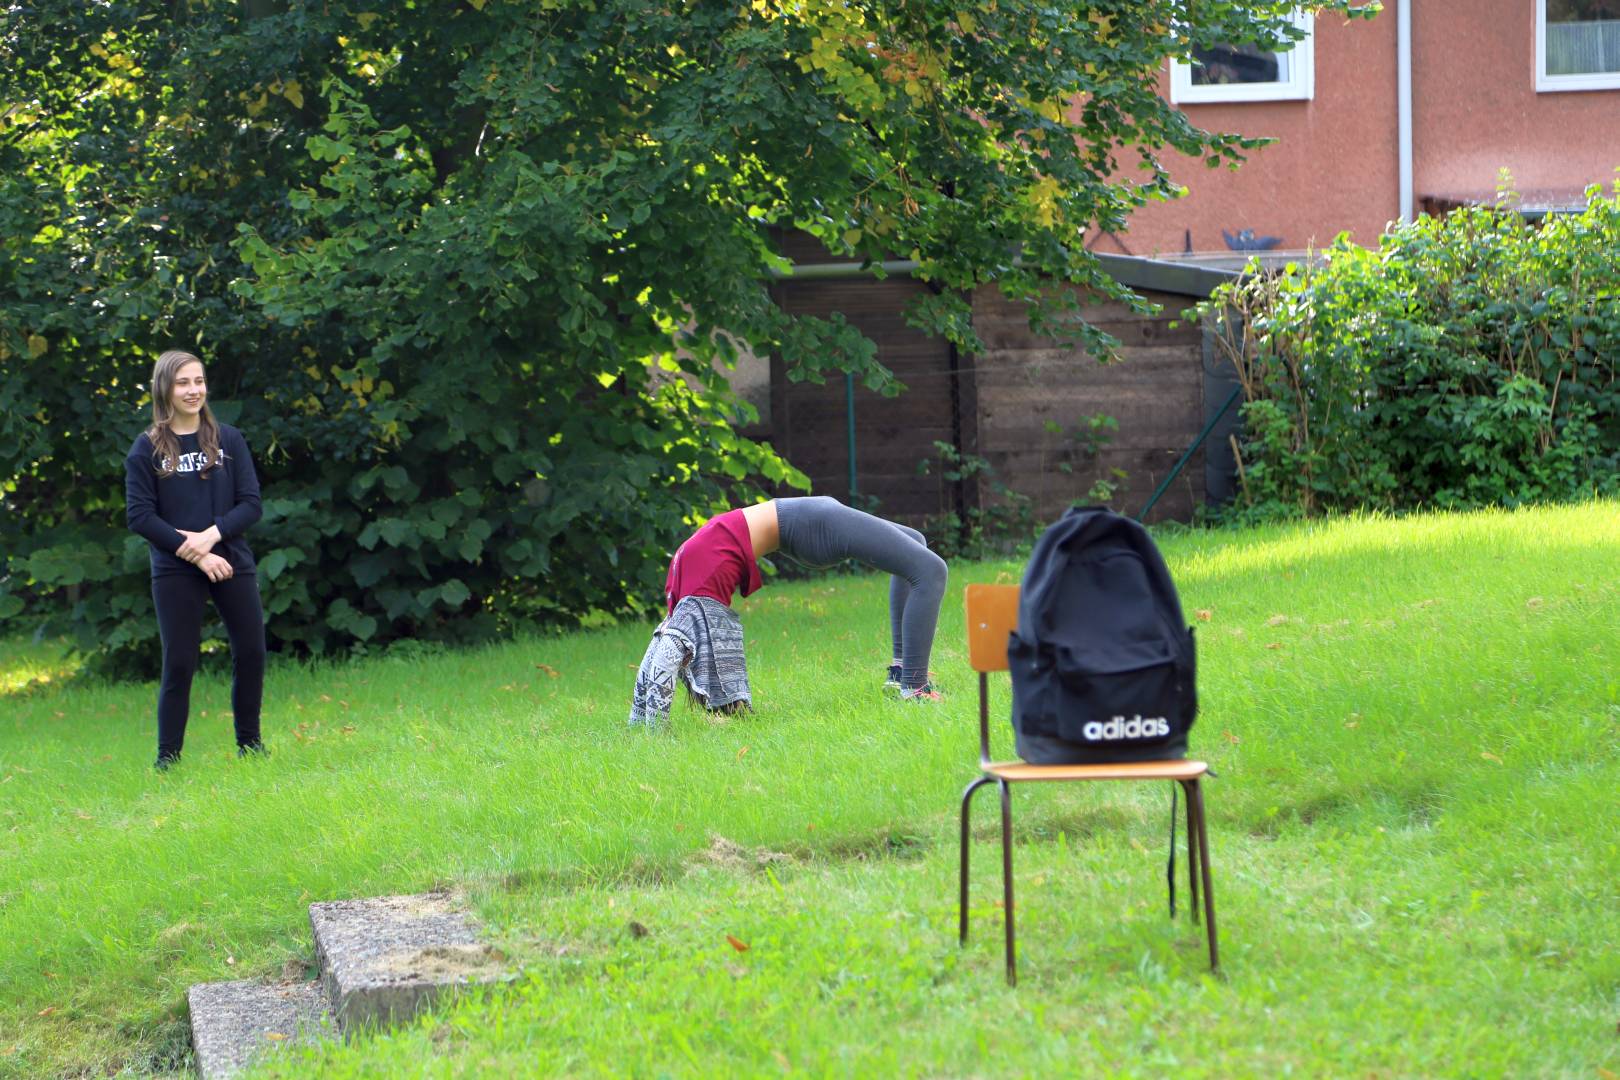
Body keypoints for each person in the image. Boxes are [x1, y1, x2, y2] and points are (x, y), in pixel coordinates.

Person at [629, 496, 947, 726]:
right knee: (931, 570)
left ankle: (900, 675)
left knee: (916, 544)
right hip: (812, 522)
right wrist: (650, 722)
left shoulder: (686, 580)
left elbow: (668, 643)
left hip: (803, 525)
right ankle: (914, 687)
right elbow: (675, 646)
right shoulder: (693, 578)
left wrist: (643, 718)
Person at [124, 349, 266, 769]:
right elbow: (140, 516)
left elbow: (251, 504)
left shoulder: (229, 440)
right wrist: (198, 555)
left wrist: (210, 537)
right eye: (183, 382)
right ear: (164, 388)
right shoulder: (146, 448)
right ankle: (167, 760)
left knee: (252, 652)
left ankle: (251, 746)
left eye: (199, 381)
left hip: (232, 559)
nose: (193, 390)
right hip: (174, 569)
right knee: (181, 661)